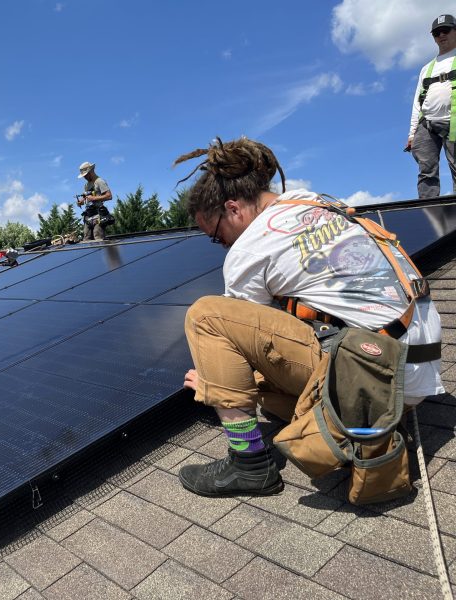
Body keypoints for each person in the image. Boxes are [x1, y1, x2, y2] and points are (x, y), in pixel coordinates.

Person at [175, 137, 443, 498]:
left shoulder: (251, 247)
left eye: (216, 235)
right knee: (255, 387)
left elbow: (242, 336)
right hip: (415, 376)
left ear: (233, 208)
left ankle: (249, 462)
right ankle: (365, 426)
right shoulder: (315, 201)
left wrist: (215, 382)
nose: (220, 244)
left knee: (207, 317)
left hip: (375, 375)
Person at [407, 14, 456, 198]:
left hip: (454, 121)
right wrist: (412, 133)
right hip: (427, 124)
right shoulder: (426, 68)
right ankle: (428, 213)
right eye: (436, 33)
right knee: (426, 171)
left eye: (446, 30)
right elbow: (417, 102)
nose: (441, 35)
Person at [77, 161, 113, 241]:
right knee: (86, 239)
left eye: (85, 175)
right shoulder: (86, 185)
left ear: (91, 171)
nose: (84, 177)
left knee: (98, 238)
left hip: (98, 215)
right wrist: (81, 202)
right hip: (88, 216)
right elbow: (87, 198)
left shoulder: (99, 181)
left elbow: (109, 196)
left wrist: (94, 198)